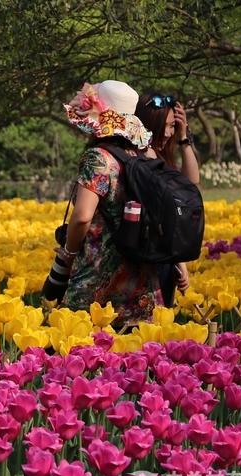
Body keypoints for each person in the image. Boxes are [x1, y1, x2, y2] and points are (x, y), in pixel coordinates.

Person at [55, 80, 162, 327]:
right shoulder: (144, 157)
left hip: (96, 276)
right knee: (132, 359)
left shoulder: (99, 158)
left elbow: (82, 216)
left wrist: (69, 254)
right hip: (139, 281)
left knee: (80, 352)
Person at [135, 94, 200, 307]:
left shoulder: (164, 161)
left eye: (171, 126)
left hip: (165, 260)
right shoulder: (141, 159)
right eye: (159, 126)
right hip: (145, 262)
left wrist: (183, 137)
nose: (166, 133)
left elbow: (191, 185)